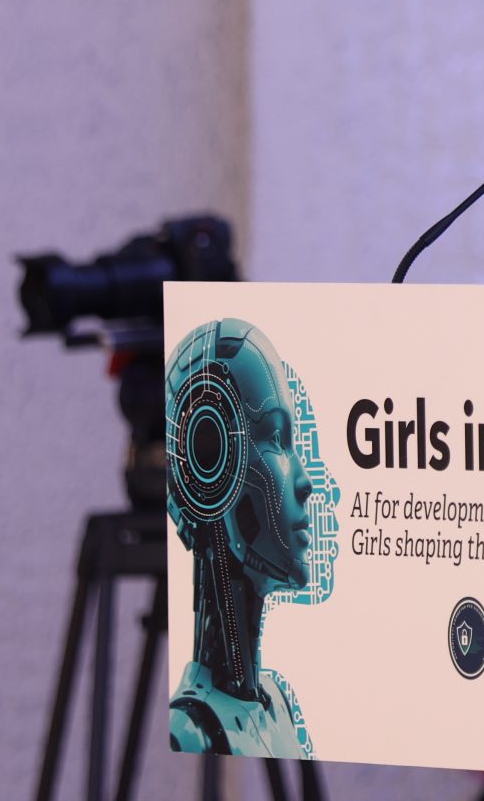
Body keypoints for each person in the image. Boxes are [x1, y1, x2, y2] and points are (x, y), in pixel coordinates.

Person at [164, 318, 341, 759]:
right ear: (210, 463)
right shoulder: (188, 733)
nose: (307, 483)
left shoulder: (279, 706)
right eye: (276, 439)